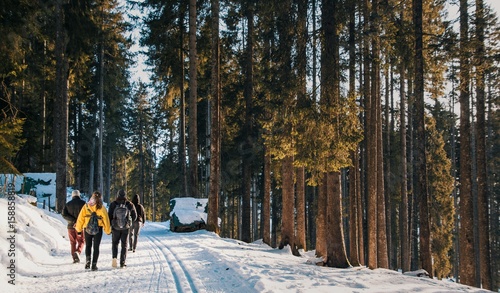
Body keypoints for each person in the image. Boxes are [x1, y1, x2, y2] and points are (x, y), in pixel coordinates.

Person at [75, 191, 111, 271]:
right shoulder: (101, 207)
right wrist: (108, 230)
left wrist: (78, 229)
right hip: (98, 229)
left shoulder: (86, 206)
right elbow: (106, 220)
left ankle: (88, 262)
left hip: (87, 228)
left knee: (88, 246)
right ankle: (94, 265)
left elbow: (80, 218)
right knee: (96, 247)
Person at [108, 189, 137, 268]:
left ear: (117, 195)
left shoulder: (113, 204)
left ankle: (114, 258)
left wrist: (112, 224)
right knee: (124, 245)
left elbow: (109, 216)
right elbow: (135, 216)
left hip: (115, 228)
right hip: (125, 228)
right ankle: (122, 262)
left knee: (115, 243)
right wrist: (129, 222)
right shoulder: (129, 204)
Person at [62, 189, 86, 263]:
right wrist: (78, 221)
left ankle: (74, 257)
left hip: (70, 226)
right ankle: (78, 252)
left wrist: (72, 220)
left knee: (73, 242)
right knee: (81, 241)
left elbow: (64, 214)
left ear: (72, 195)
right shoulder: (84, 204)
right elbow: (86, 214)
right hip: (80, 226)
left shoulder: (68, 204)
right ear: (79, 195)